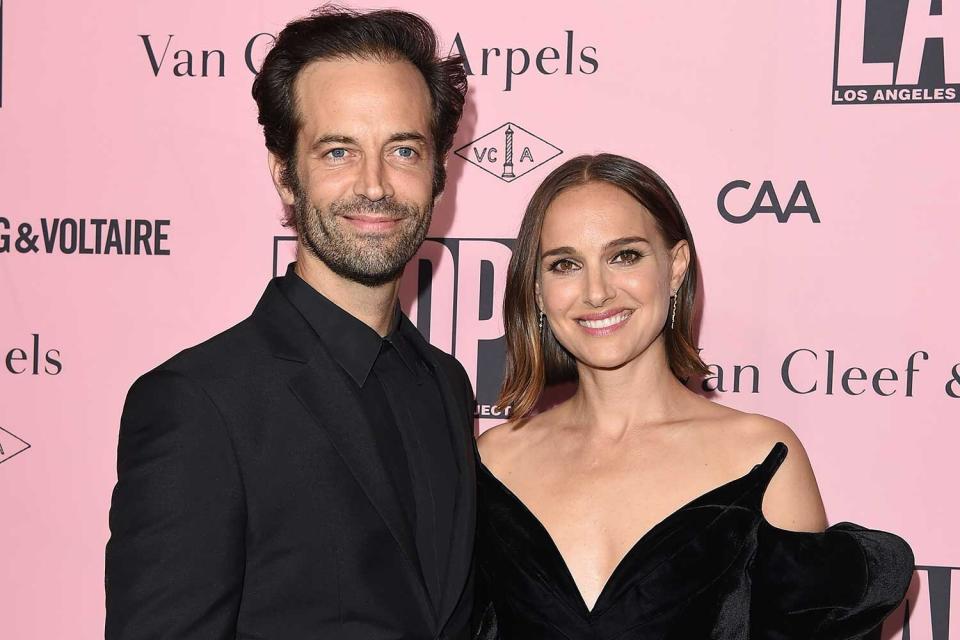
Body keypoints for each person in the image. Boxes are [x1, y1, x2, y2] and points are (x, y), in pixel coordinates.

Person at [105, 8, 477, 640]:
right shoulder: (199, 404)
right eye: (338, 151)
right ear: (284, 172)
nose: (375, 186)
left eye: (404, 150)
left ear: (439, 172)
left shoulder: (445, 383)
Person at [474, 154, 914, 639]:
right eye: (565, 265)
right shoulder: (494, 462)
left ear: (676, 265)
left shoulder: (760, 457)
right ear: (537, 290)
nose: (596, 291)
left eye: (625, 256)